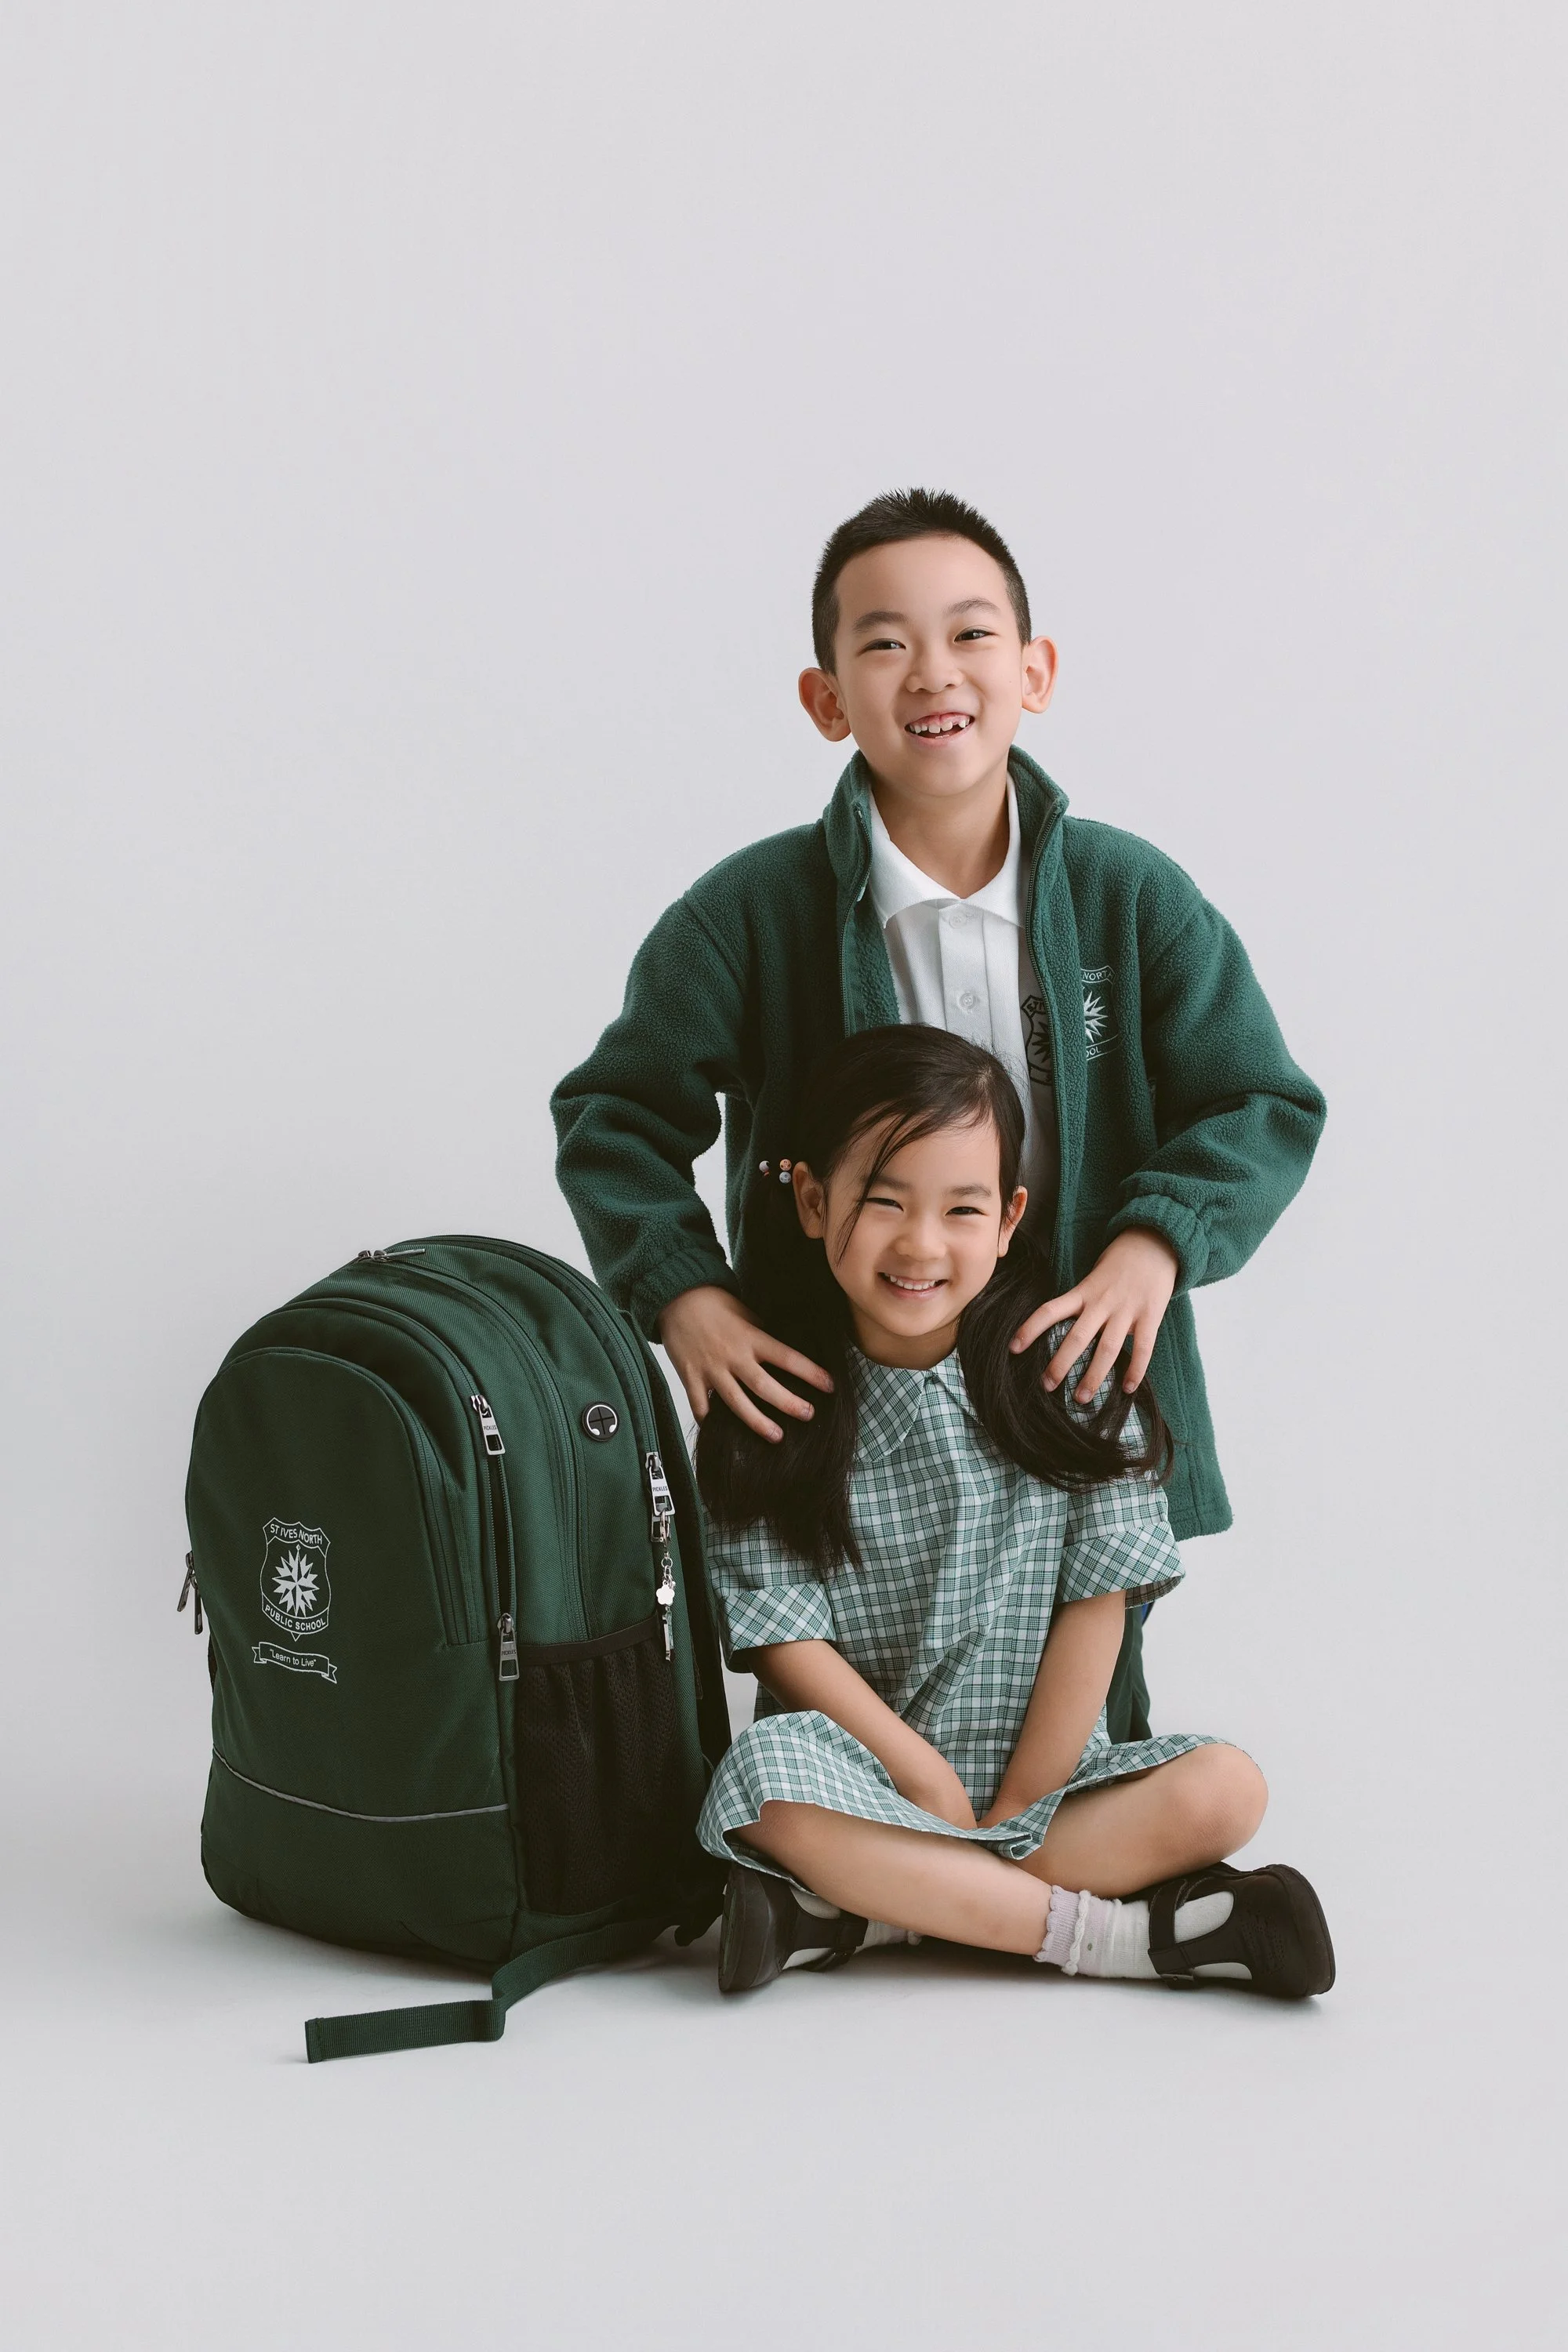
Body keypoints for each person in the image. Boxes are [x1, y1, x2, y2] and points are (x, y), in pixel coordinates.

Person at [552, 486, 1325, 1739]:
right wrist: (684, 1293)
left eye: (970, 635)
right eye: (883, 642)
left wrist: (1155, 1242)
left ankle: (1004, 1878)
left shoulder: (1130, 897)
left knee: (1086, 1729)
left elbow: (1262, 1098)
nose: (932, 672)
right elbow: (615, 1115)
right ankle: (935, 1867)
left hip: (1070, 1380)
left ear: (1036, 671)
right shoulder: (753, 913)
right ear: (825, 699)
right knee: (840, 1712)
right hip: (844, 1401)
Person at [693, 1024, 1334, 1998]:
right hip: (870, 1780)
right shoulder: (768, 1405)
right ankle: (1127, 1941)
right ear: (815, 1202)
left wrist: (1028, 1792)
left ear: (1008, 1219)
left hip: (1050, 1790)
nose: (919, 1243)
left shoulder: (1067, 1377)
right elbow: (783, 1639)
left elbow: (1101, 1593)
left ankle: (871, 1915)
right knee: (764, 1789)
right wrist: (921, 1781)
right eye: (881, 1201)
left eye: (961, 1209)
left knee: (1226, 1788)